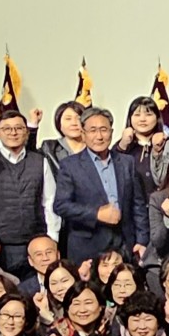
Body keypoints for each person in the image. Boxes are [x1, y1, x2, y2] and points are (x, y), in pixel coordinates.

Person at [0, 109, 62, 280]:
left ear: (26, 132)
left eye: (18, 128)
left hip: (34, 240)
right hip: (0, 243)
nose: (13, 133)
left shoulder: (39, 160)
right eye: (7, 129)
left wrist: (52, 237)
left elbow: (50, 201)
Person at [53, 107, 150, 268]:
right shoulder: (70, 165)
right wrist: (96, 213)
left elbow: (138, 205)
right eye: (93, 130)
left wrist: (142, 240)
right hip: (87, 246)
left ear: (111, 132)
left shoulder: (127, 162)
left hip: (124, 245)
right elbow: (61, 205)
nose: (99, 136)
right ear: (83, 134)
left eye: (104, 130)